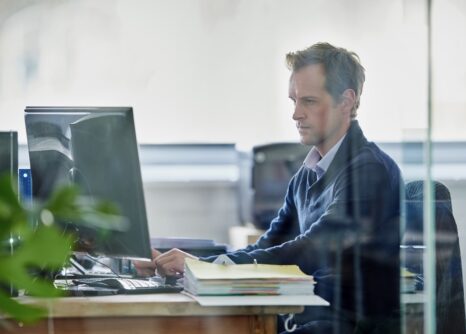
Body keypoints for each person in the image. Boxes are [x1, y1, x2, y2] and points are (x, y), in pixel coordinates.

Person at [135, 42, 402, 333]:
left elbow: (310, 250)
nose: (296, 114)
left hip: (347, 325)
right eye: (294, 101)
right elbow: (269, 245)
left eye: (309, 101)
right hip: (306, 317)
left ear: (346, 102)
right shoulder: (306, 174)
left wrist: (204, 268)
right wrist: (196, 265)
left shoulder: (367, 171)